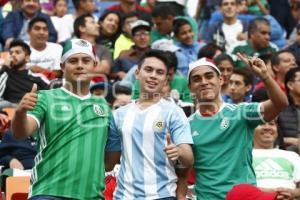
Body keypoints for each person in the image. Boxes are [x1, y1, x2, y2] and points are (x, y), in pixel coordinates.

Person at [11, 38, 111, 199]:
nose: (80, 65)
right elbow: (20, 133)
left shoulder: (104, 105)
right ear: (62, 66)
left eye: (86, 60)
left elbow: (111, 155)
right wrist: (20, 111)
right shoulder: (44, 97)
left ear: (94, 66)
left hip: (92, 196)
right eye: (73, 60)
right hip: (48, 192)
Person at [187, 54, 288, 199]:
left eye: (209, 76)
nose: (204, 82)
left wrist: (265, 77)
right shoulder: (186, 125)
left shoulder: (242, 112)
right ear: (190, 87)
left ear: (221, 79)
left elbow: (280, 104)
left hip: (243, 197)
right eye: (197, 79)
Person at [105, 49, 194, 199]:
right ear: (137, 73)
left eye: (159, 72)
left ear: (166, 79)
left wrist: (178, 152)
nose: (153, 75)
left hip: (162, 195)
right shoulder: (118, 115)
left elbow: (189, 157)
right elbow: (109, 163)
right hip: (124, 196)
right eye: (148, 70)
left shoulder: (174, 112)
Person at [253, 119, 300, 199]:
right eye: (261, 124)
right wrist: (265, 194)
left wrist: (293, 193)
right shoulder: (242, 156)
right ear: (251, 129)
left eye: (271, 124)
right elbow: (234, 185)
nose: (267, 127)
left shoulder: (292, 156)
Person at [0, 39, 49, 109]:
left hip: (31, 109)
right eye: (11, 53)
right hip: (8, 108)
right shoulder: (5, 74)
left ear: (27, 58)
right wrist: (5, 67)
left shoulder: (37, 77)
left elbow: (51, 92)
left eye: (17, 52)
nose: (13, 55)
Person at [277, 67, 300, 153]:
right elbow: (268, 135)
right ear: (290, 85)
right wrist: (291, 140)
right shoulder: (279, 108)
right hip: (286, 154)